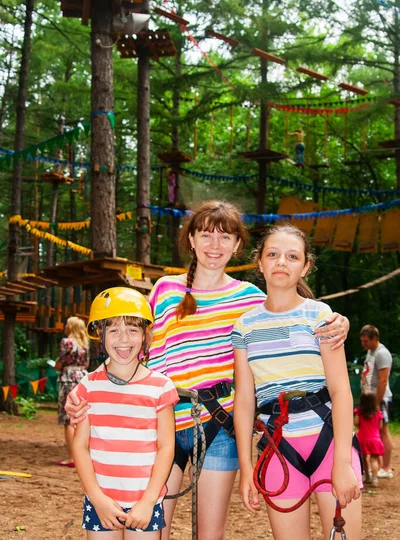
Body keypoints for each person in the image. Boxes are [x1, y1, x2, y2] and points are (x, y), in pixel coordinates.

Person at [64, 201, 350, 540]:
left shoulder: (249, 299)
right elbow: (135, 351)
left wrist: (339, 321)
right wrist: (93, 390)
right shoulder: (166, 291)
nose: (215, 245)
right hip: (162, 421)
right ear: (192, 240)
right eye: (206, 235)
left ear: (238, 246)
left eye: (225, 237)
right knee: (154, 527)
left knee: (209, 534)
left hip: (219, 425)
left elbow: (288, 314)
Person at [232, 224, 362, 540]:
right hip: (279, 448)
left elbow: (340, 391)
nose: (281, 262)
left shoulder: (320, 317)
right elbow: (245, 400)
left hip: (329, 442)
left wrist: (342, 463)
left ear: (305, 266)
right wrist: (246, 468)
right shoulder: (244, 326)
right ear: (259, 262)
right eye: (272, 254)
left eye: (292, 256)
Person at [72, 287, 178, 538]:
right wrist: (97, 498)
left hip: (145, 502)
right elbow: (80, 447)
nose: (124, 339)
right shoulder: (88, 386)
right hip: (100, 501)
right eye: (114, 330)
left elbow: (166, 447)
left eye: (133, 329)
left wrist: (149, 501)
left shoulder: (161, 387)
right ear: (100, 334)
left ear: (145, 335)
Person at [55, 316, 89, 467]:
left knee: (68, 419)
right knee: (81, 417)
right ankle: (83, 455)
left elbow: (59, 364)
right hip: (82, 378)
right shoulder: (85, 344)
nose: (65, 326)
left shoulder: (66, 342)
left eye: (67, 324)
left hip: (68, 378)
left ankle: (72, 457)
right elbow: (87, 363)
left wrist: (57, 366)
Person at [360, 324, 393, 479]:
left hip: (379, 399)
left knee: (382, 431)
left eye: (366, 341)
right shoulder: (371, 352)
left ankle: (386, 468)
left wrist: (376, 403)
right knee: (375, 433)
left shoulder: (382, 354)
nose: (363, 344)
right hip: (370, 400)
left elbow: (383, 380)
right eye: (362, 341)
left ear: (375, 338)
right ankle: (378, 467)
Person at [354, 391, 384, 488]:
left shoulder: (359, 411)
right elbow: (380, 426)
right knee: (374, 459)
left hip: (363, 439)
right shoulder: (378, 413)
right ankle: (375, 479)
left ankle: (367, 476)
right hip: (375, 439)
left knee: (364, 459)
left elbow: (356, 422)